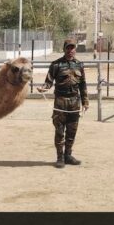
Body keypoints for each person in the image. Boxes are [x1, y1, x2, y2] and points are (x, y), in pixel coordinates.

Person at [38, 39, 89, 168]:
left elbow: (83, 85)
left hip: (74, 102)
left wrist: (85, 101)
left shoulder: (79, 65)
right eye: (68, 48)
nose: (70, 50)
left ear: (75, 49)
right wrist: (44, 88)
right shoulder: (56, 65)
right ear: (64, 49)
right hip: (60, 102)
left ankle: (68, 155)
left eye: (72, 48)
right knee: (60, 131)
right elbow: (48, 81)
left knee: (72, 131)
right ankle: (60, 157)